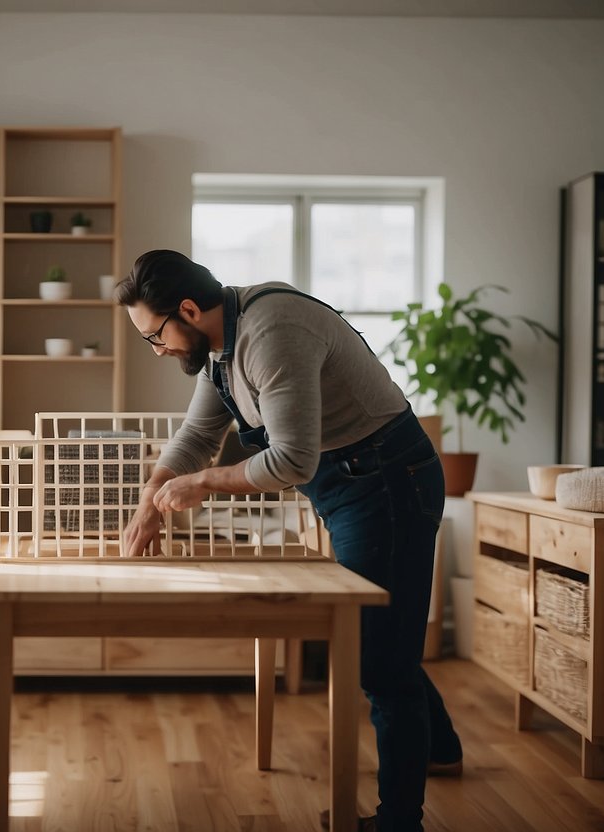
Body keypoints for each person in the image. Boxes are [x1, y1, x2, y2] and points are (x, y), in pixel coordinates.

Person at [115, 249, 462, 832]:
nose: (160, 349)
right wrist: (151, 498)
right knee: (383, 632)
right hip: (349, 482)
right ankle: (442, 747)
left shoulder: (272, 333)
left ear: (190, 309)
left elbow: (292, 461)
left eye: (155, 335)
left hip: (387, 482)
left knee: (378, 661)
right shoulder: (218, 347)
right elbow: (198, 434)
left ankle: (400, 822)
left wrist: (201, 485)